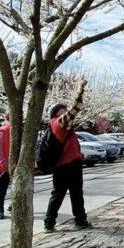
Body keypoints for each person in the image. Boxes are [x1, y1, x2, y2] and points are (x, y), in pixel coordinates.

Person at [43, 79, 92, 232]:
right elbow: (75, 109)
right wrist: (80, 90)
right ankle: (78, 220)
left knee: (60, 194)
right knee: (73, 193)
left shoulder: (57, 125)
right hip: (69, 165)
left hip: (63, 166)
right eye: (62, 109)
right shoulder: (59, 123)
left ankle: (51, 223)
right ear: (57, 113)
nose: (66, 110)